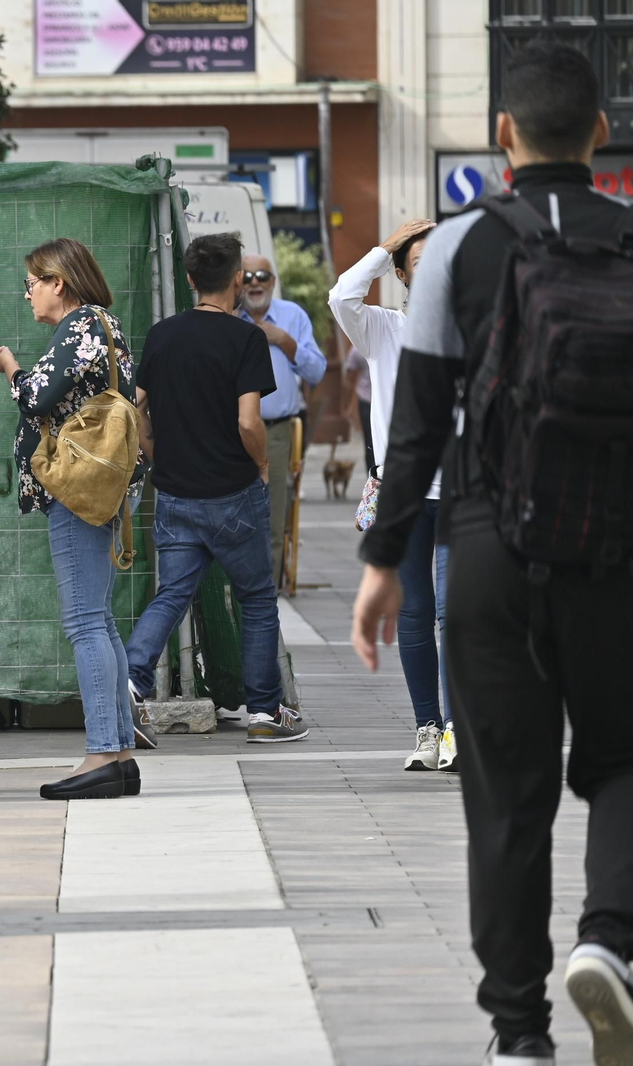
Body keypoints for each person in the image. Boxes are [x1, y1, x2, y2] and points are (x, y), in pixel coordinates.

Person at [353, 44, 633, 1066]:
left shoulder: (461, 247)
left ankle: (519, 1031)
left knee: (505, 793)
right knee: (624, 761)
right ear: (600, 132)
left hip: (488, 548)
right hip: (616, 552)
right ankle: (609, 940)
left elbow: (417, 423)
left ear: (502, 135)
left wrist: (384, 559)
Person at [123, 232, 307, 743]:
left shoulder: (162, 335)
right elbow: (250, 421)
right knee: (256, 598)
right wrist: (261, 464)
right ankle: (265, 713)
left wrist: (154, 449)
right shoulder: (246, 339)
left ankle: (132, 685)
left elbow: (135, 407)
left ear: (189, 279)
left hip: (175, 493)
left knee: (171, 594)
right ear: (236, 280)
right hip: (233, 493)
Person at [0, 238, 143, 800]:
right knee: (100, 620)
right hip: (103, 486)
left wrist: (10, 367)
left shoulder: (80, 326)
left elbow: (36, 397)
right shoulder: (105, 326)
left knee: (84, 622)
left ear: (59, 282)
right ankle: (119, 755)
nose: (28, 294)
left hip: (79, 490)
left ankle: (102, 753)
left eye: (32, 283)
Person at [329, 220, 456, 774]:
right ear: (402, 275)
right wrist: (384, 249)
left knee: (453, 612)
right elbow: (341, 296)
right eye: (420, 263)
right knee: (415, 611)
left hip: (460, 490)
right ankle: (428, 728)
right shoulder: (382, 329)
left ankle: (455, 729)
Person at [240, 254, 327, 586]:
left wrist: (285, 341)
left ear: (273, 281)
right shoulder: (230, 317)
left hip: (276, 432)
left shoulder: (293, 316)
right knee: (232, 516)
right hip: (233, 431)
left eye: (262, 275)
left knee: (273, 517)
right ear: (237, 282)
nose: (255, 283)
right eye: (247, 276)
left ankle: (269, 593)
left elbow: (317, 372)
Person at [342, 345, 374, 476]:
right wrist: (346, 405)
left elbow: (349, 379)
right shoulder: (357, 349)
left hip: (384, 400)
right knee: (370, 443)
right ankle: (373, 479)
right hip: (367, 400)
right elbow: (349, 379)